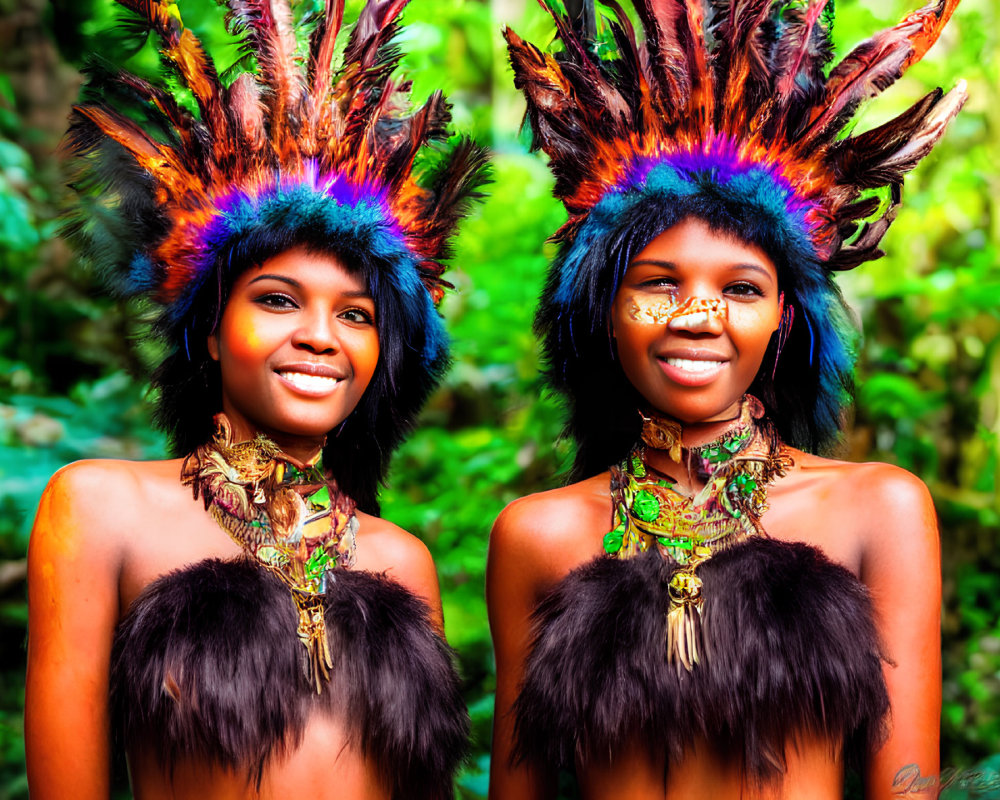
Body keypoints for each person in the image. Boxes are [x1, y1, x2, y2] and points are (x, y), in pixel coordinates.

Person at [488, 0, 965, 798]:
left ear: (782, 318)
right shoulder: (538, 534)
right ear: (604, 307)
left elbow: (907, 788)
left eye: (740, 288)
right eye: (659, 283)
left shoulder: (879, 509)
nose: (698, 317)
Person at [25, 1, 487, 798]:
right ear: (209, 330)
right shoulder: (100, 508)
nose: (320, 336)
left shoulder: (398, 560)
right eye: (277, 299)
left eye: (356, 314)